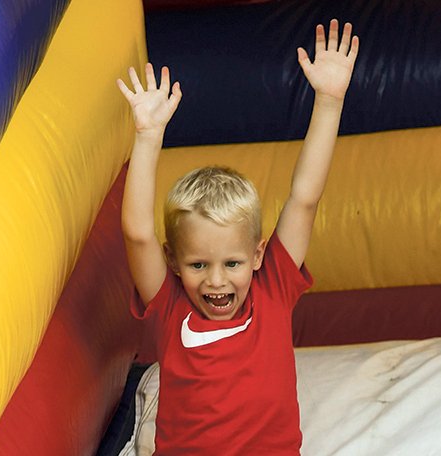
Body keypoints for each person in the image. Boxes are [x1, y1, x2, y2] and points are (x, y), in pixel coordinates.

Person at [116, 19, 360, 455]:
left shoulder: (274, 289)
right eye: (197, 265)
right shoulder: (173, 309)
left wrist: (328, 101)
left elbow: (304, 198)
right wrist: (148, 137)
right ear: (173, 261)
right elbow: (137, 234)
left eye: (231, 263)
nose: (215, 281)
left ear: (257, 254)